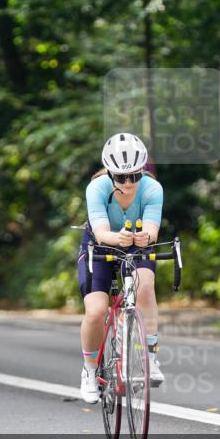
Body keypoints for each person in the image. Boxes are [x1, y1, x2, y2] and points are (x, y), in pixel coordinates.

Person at [77, 132, 165, 404]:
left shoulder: (153, 189)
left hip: (136, 242)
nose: (128, 184)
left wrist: (144, 238)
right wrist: (119, 238)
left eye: (135, 177)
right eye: (121, 178)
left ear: (142, 172)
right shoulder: (97, 188)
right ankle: (90, 371)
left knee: (146, 287)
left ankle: (150, 357)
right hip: (101, 244)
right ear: (110, 173)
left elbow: (152, 229)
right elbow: (102, 232)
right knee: (96, 311)